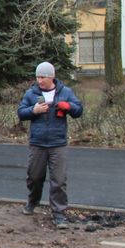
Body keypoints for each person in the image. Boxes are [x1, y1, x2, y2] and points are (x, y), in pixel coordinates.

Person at [17, 61, 83, 229]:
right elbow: (21, 112)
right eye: (38, 77)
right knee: (34, 177)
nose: (39, 80)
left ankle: (59, 213)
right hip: (37, 143)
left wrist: (68, 106)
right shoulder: (31, 93)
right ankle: (32, 202)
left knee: (59, 180)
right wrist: (33, 111)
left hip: (58, 143)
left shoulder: (65, 92)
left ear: (51, 77)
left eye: (43, 77)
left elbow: (78, 110)